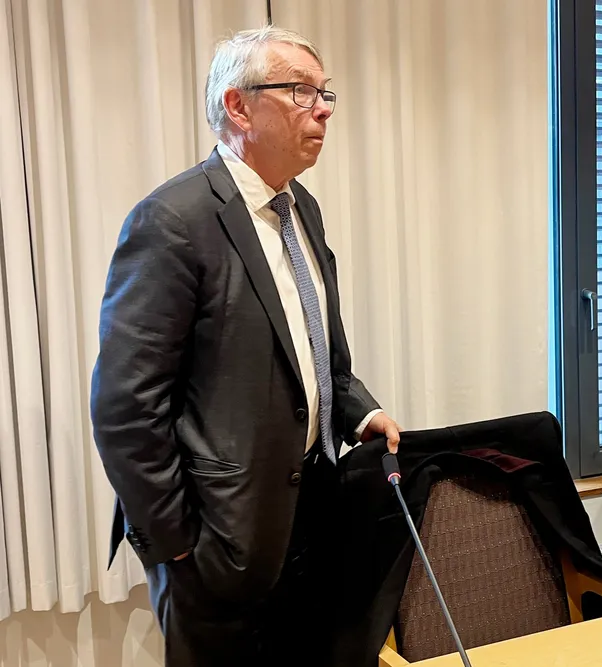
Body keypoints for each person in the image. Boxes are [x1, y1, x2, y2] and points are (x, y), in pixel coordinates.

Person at [90, 26, 401, 665]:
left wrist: (357, 411)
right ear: (238, 106)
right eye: (301, 91)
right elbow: (125, 407)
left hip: (311, 517)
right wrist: (177, 543)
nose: (323, 109)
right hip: (216, 541)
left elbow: (311, 350)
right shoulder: (173, 220)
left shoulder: (301, 207)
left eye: (325, 92)